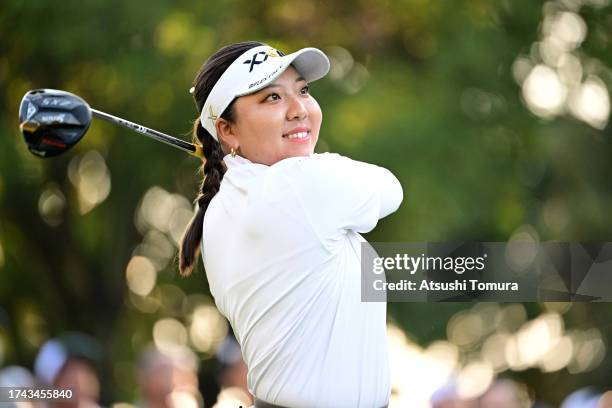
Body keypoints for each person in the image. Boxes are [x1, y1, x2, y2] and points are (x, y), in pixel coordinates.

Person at [178, 41, 403, 408]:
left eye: (303, 91)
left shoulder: (221, 208)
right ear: (227, 131)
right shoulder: (299, 186)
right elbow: (392, 189)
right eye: (272, 98)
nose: (299, 110)